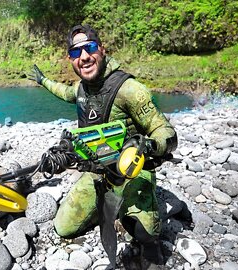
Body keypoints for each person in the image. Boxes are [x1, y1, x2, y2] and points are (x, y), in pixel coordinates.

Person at [27, 24, 177, 268]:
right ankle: (108, 208)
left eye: (90, 48)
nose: (84, 57)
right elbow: (64, 92)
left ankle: (133, 216)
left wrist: (146, 146)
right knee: (63, 228)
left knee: (144, 235)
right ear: (71, 59)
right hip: (98, 172)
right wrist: (42, 80)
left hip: (132, 172)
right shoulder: (81, 89)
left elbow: (167, 134)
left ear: (102, 50)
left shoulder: (129, 89)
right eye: (76, 53)